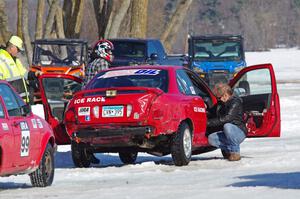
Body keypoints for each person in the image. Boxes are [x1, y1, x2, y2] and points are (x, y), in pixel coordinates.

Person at [207, 83, 247, 161]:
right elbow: (211, 111)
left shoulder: (235, 102)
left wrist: (208, 123)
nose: (219, 99)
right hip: (227, 134)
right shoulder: (221, 103)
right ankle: (231, 148)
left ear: (225, 95)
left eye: (219, 97)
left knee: (227, 126)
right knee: (211, 138)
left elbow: (227, 118)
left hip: (238, 131)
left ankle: (235, 153)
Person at [0, 35, 41, 103]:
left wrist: (35, 74)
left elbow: (25, 74)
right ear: (12, 47)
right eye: (18, 49)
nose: (18, 52)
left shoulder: (16, 60)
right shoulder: (1, 59)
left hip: (21, 103)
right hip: (10, 104)